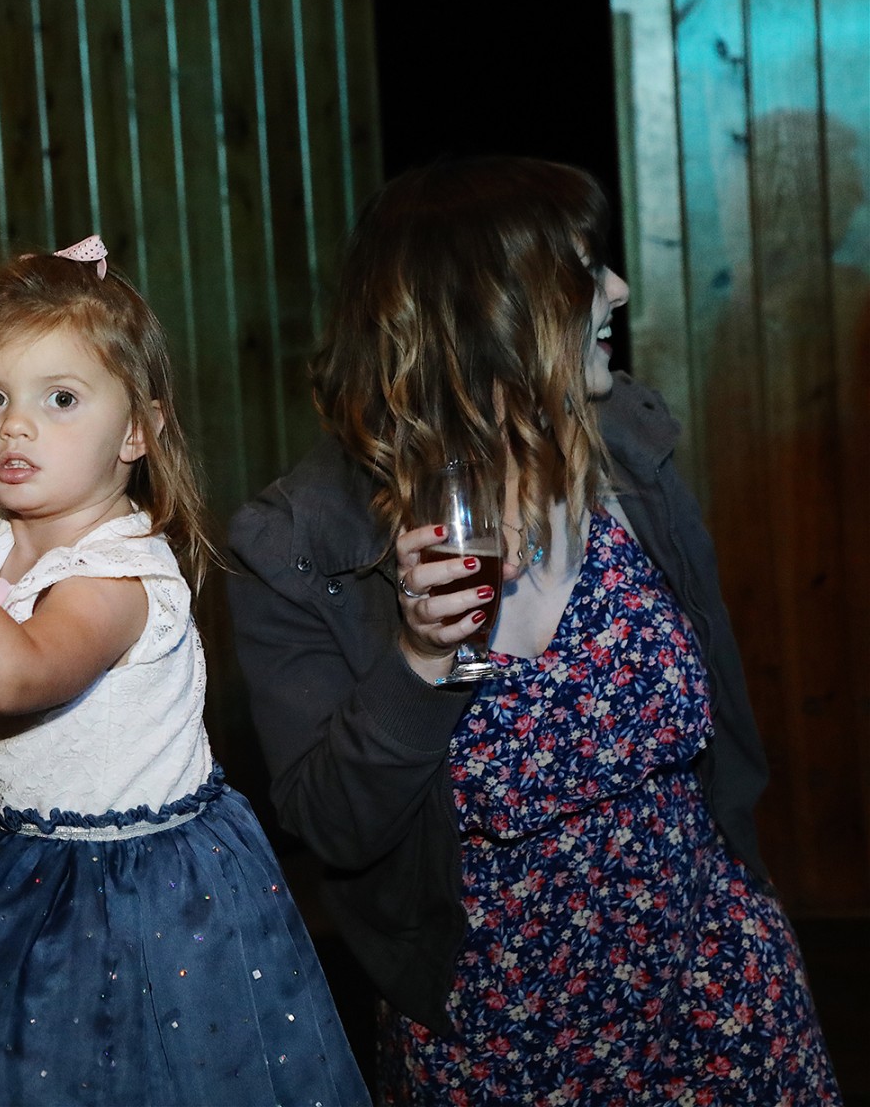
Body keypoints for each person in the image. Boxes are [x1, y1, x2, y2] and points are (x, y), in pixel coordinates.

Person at [228, 157, 840, 1101]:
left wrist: (754, 900)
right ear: (490, 315)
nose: (619, 289)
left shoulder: (627, 456)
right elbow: (335, 827)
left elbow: (723, 737)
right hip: (503, 1032)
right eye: (587, 269)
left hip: (718, 986)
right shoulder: (302, 542)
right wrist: (425, 660)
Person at [0, 238, 369, 1105]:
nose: (16, 425)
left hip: (139, 897)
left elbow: (12, 674)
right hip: (20, 868)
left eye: (62, 399)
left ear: (137, 431)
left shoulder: (117, 576)